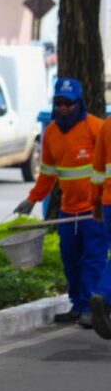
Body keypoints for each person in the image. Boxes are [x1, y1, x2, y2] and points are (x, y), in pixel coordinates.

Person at [13, 78, 106, 327]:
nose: (63, 108)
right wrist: (32, 199)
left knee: (93, 259)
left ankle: (90, 309)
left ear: (79, 103)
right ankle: (78, 305)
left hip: (94, 212)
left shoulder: (97, 128)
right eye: (59, 103)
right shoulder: (51, 133)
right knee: (71, 260)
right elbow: (48, 172)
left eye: (68, 103)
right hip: (68, 211)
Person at [89, 98, 111, 339]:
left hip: (108, 203)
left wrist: (95, 203)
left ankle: (103, 294)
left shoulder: (107, 125)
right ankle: (104, 295)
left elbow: (97, 171)